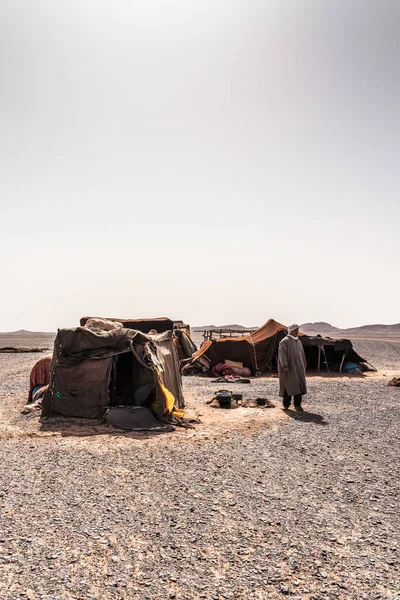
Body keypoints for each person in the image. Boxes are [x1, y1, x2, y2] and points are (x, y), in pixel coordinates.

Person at [278, 324, 307, 411]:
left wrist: (303, 365)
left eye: (297, 330)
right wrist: (285, 365)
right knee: (289, 386)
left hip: (299, 368)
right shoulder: (284, 341)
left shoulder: (299, 342)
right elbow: (282, 355)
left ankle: (297, 405)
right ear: (290, 331)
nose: (296, 332)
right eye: (295, 330)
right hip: (289, 368)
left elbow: (302, 356)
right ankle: (286, 405)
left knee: (298, 386)